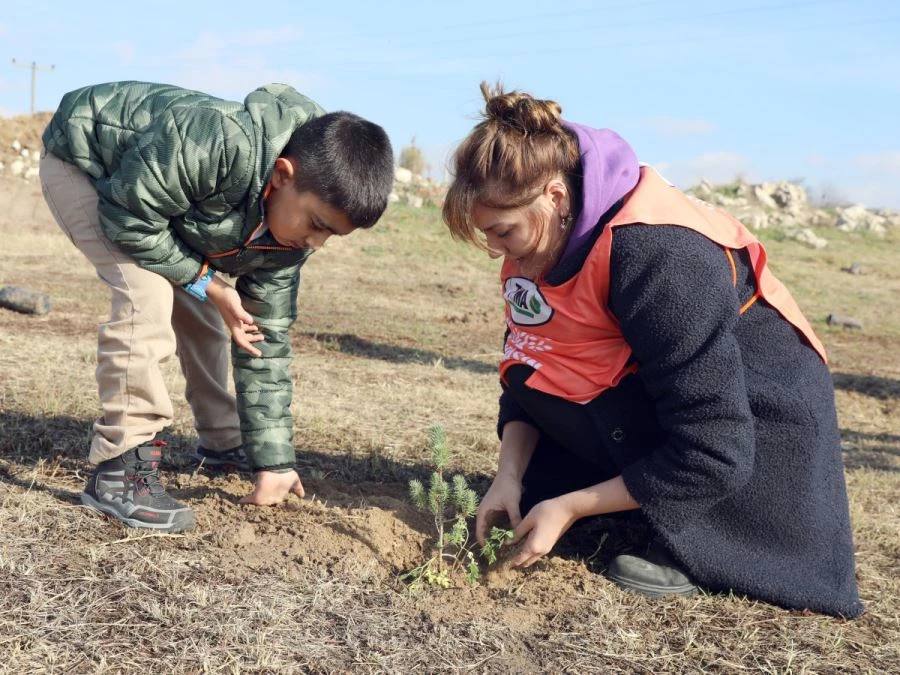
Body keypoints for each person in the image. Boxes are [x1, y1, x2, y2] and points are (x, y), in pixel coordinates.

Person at [442, 82, 863, 618]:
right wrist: (509, 475)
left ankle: (700, 542)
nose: (496, 253)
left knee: (572, 503)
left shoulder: (659, 254)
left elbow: (715, 445)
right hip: (663, 394)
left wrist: (572, 505)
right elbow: (531, 369)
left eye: (502, 232)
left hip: (758, 424)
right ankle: (630, 498)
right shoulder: (542, 243)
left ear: (554, 195)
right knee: (534, 492)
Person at [40, 81, 394, 533]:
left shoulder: (292, 237)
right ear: (282, 175)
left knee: (211, 312)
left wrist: (275, 461)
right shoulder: (219, 142)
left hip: (158, 202)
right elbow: (130, 219)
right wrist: (207, 280)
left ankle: (222, 443)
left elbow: (264, 340)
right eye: (317, 225)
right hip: (86, 163)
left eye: (332, 236)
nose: (316, 244)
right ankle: (119, 468)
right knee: (145, 292)